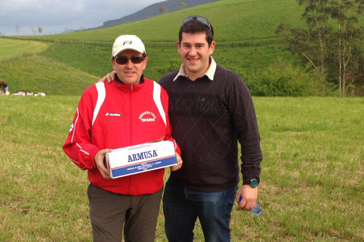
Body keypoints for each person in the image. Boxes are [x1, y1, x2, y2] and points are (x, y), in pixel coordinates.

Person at [99, 16, 263, 242]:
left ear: (211, 47)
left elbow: (250, 137)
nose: (192, 52)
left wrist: (251, 182)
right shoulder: (166, 85)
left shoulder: (231, 84)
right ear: (178, 47)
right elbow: (136, 88)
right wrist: (115, 77)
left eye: (199, 46)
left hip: (216, 190)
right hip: (176, 187)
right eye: (187, 45)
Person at [63, 34, 182, 242]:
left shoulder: (159, 93)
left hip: (149, 195)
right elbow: (73, 143)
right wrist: (95, 156)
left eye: (135, 59)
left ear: (145, 61)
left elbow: (168, 136)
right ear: (113, 63)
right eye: (122, 59)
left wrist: (175, 153)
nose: (129, 65)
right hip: (107, 193)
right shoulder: (94, 95)